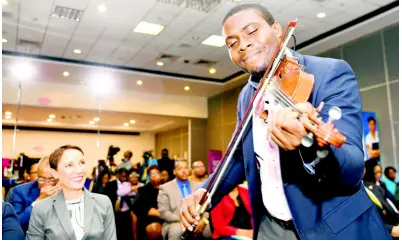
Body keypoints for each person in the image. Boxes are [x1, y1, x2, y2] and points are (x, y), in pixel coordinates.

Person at [180, 3, 390, 240]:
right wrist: (206, 192)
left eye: (251, 32)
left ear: (278, 30)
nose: (243, 45)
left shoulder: (329, 73)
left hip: (334, 227)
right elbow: (238, 157)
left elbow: (352, 169)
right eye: (232, 43)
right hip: (272, 227)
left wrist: (309, 145)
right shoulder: (247, 96)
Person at [26, 145, 116, 240]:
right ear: (54, 173)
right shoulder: (42, 208)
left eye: (81, 163)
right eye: (69, 165)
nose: (79, 170)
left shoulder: (103, 203)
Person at [9, 156, 61, 232]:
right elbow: (14, 224)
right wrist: (38, 201)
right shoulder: (21, 191)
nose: (46, 184)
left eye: (52, 179)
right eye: (42, 179)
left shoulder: (66, 190)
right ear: (38, 175)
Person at [132, 165, 163, 239]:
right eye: (152, 174)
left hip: (167, 215)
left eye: (156, 173)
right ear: (149, 177)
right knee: (154, 228)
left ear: (160, 175)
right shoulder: (144, 190)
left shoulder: (167, 187)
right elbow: (149, 210)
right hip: (150, 218)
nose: (155, 175)